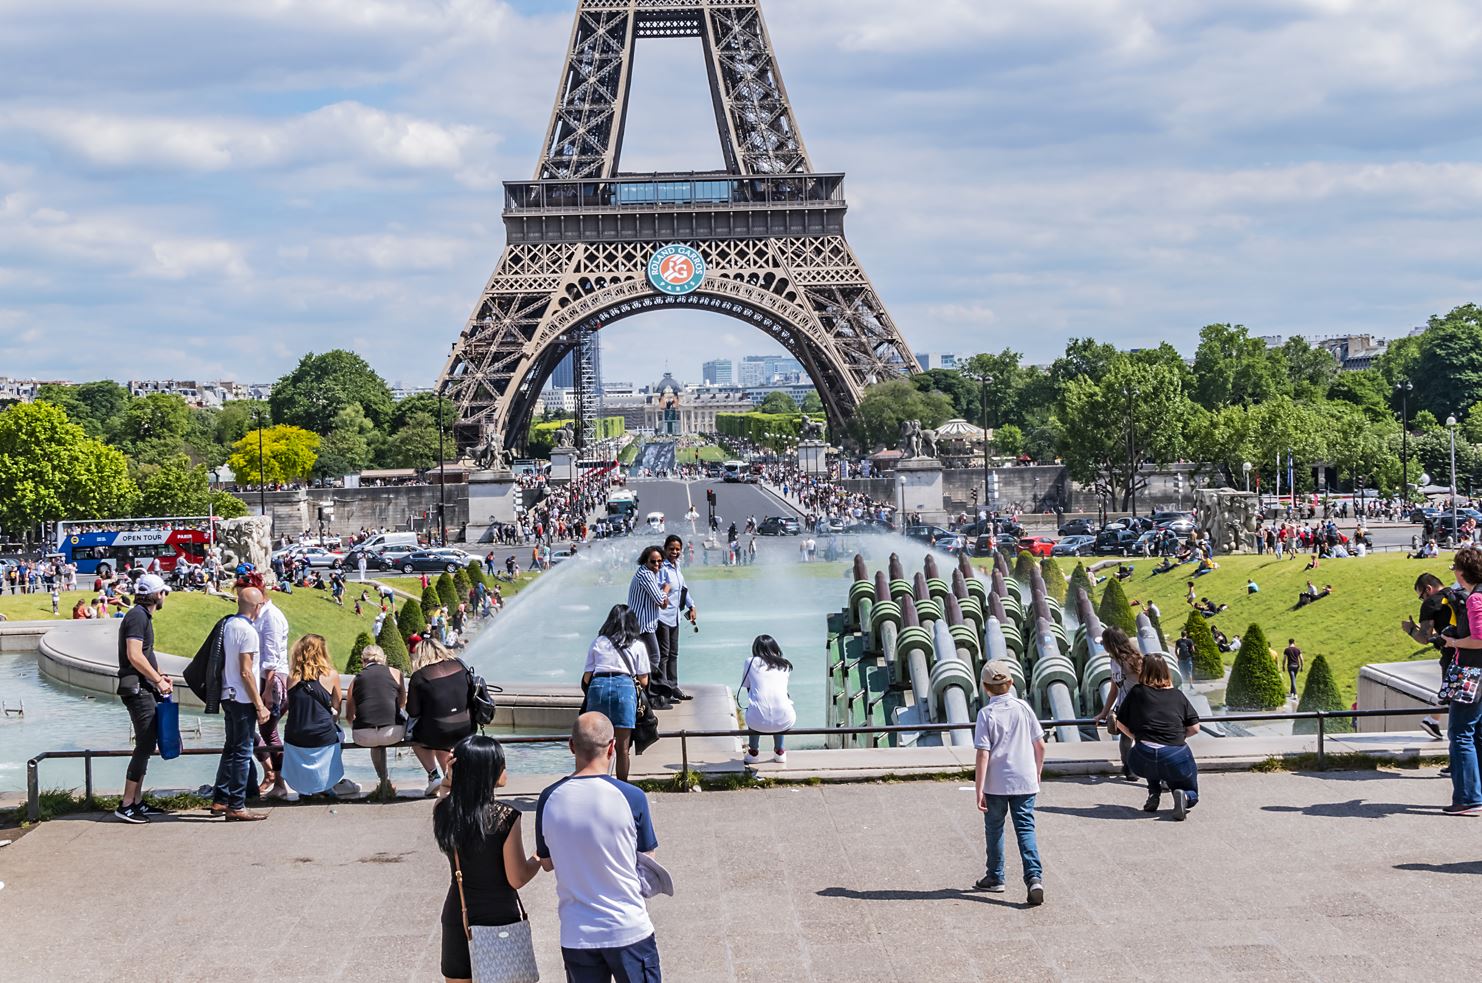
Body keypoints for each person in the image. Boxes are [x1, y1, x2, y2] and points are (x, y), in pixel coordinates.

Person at [536, 713, 662, 981]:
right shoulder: (632, 797)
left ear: (571, 746)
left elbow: (546, 863)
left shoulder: (549, 798)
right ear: (612, 747)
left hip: (577, 933)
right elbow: (646, 857)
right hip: (628, 927)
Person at [434, 735, 543, 983]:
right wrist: (538, 857)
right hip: (499, 918)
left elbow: (445, 793)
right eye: (500, 764)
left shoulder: (444, 812)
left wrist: (449, 778)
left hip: (458, 917)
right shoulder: (505, 817)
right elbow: (516, 878)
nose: (505, 769)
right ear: (487, 772)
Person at [971, 660, 1045, 906]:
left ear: (985, 687)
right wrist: (1037, 772)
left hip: (996, 783)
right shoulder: (1023, 707)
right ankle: (1034, 878)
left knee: (995, 829)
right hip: (1024, 779)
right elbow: (1040, 744)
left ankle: (995, 876)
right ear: (1011, 683)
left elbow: (983, 753)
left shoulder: (986, 714)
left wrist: (978, 787)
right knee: (1025, 828)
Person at [114, 574, 172, 824]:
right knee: (145, 744)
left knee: (147, 743)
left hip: (142, 685)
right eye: (164, 593)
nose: (165, 597)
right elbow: (135, 655)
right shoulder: (138, 617)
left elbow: (143, 656)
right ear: (158, 595)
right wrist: (157, 681)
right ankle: (126, 803)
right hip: (137, 688)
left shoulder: (140, 615)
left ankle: (136, 801)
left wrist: (159, 676)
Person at [1116, 654, 1201, 820]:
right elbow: (1195, 729)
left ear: (1143, 671)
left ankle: (1153, 793)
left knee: (1151, 757)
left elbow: (1119, 723)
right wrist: (1178, 737)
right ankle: (1185, 797)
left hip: (1140, 757)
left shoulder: (1137, 692)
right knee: (1190, 788)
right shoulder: (1178, 695)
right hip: (1174, 755)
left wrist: (1137, 737)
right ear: (1167, 672)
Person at [211, 587, 269, 821]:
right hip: (243, 698)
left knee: (231, 749)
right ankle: (237, 804)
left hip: (228, 694)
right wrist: (259, 704)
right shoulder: (249, 632)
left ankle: (220, 800)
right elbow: (247, 672)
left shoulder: (228, 625)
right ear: (257, 607)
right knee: (243, 753)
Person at [1431, 547, 1482, 815]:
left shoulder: (1475, 599)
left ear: (1461, 573)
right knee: (1478, 734)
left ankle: (1468, 798)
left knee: (1460, 733)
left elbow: (1480, 639)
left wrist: (1452, 641)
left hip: (1472, 673)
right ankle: (1477, 793)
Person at [582, 605, 651, 783]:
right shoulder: (637, 645)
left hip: (599, 689)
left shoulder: (598, 642)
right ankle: (621, 787)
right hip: (625, 690)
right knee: (622, 748)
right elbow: (644, 681)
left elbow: (587, 678)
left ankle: (596, 783)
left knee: (597, 745)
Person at [280, 634, 353, 798]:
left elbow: (293, 705)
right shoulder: (331, 675)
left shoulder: (292, 676)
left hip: (295, 734)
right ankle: (326, 785)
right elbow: (336, 705)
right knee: (341, 734)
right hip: (322, 735)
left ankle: (306, 788)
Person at [408, 638, 475, 797]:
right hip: (467, 728)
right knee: (441, 741)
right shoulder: (460, 666)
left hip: (439, 732)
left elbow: (413, 711)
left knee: (414, 737)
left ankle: (434, 776)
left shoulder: (419, 676)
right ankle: (451, 778)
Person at [347, 644, 407, 792]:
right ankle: (386, 784)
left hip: (364, 735)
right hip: (393, 732)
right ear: (384, 659)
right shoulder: (395, 673)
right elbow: (402, 703)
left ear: (363, 661)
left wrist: (358, 726)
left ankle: (383, 779)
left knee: (374, 743)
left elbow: (349, 715)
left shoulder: (355, 680)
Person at [1403, 572, 1452, 743]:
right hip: (1471, 651)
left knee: (1454, 698)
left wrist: (1410, 630)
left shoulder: (1431, 603)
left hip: (1451, 654)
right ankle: (1432, 720)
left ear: (1428, 589)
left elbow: (1424, 638)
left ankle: (1433, 721)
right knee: (1452, 692)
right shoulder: (1456, 594)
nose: (1422, 600)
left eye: (1421, 596)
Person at [253, 588, 292, 800]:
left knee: (269, 731)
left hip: (271, 679)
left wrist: (268, 690)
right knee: (252, 730)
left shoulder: (271, 616)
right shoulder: (261, 613)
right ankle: (270, 773)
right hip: (260, 677)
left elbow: (272, 656)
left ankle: (279, 781)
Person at [625, 546, 672, 709]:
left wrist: (662, 596)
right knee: (653, 657)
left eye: (660, 561)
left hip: (644, 624)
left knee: (649, 658)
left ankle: (648, 694)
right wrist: (666, 589)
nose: (657, 565)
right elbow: (661, 601)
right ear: (645, 560)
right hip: (642, 625)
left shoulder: (648, 574)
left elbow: (662, 603)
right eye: (653, 561)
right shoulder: (646, 574)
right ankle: (650, 696)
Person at [1094, 627, 1142, 782]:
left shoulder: (1135, 660)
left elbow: (1147, 684)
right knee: (1126, 738)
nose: (1104, 647)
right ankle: (1129, 768)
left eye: (1104, 644)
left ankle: (1144, 769)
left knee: (1142, 739)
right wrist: (1104, 712)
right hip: (1123, 707)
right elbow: (1114, 688)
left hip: (1140, 706)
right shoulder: (1113, 661)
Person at [653, 535, 697, 705]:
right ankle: (663, 691)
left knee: (673, 653)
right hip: (662, 616)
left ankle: (673, 686)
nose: (675, 552)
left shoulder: (676, 567)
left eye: (677, 549)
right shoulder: (661, 568)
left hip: (675, 617)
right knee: (663, 655)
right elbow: (657, 591)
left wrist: (691, 606)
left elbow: (683, 590)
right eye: (671, 549)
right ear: (665, 549)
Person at [739, 635, 796, 765]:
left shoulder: (750, 662)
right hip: (785, 719)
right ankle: (780, 751)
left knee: (754, 708)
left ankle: (753, 752)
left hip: (756, 722)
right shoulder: (785, 664)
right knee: (778, 706)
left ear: (755, 649)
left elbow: (748, 688)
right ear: (775, 648)